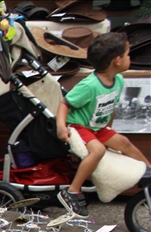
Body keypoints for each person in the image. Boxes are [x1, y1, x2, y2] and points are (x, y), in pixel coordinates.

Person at [57, 32, 151, 217]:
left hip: (98, 128)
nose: (130, 58)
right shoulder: (90, 85)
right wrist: (61, 127)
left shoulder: (119, 80)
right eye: (128, 54)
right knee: (98, 150)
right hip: (80, 126)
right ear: (117, 60)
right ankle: (72, 191)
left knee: (123, 142)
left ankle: (148, 171)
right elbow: (64, 104)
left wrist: (110, 130)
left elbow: (111, 107)